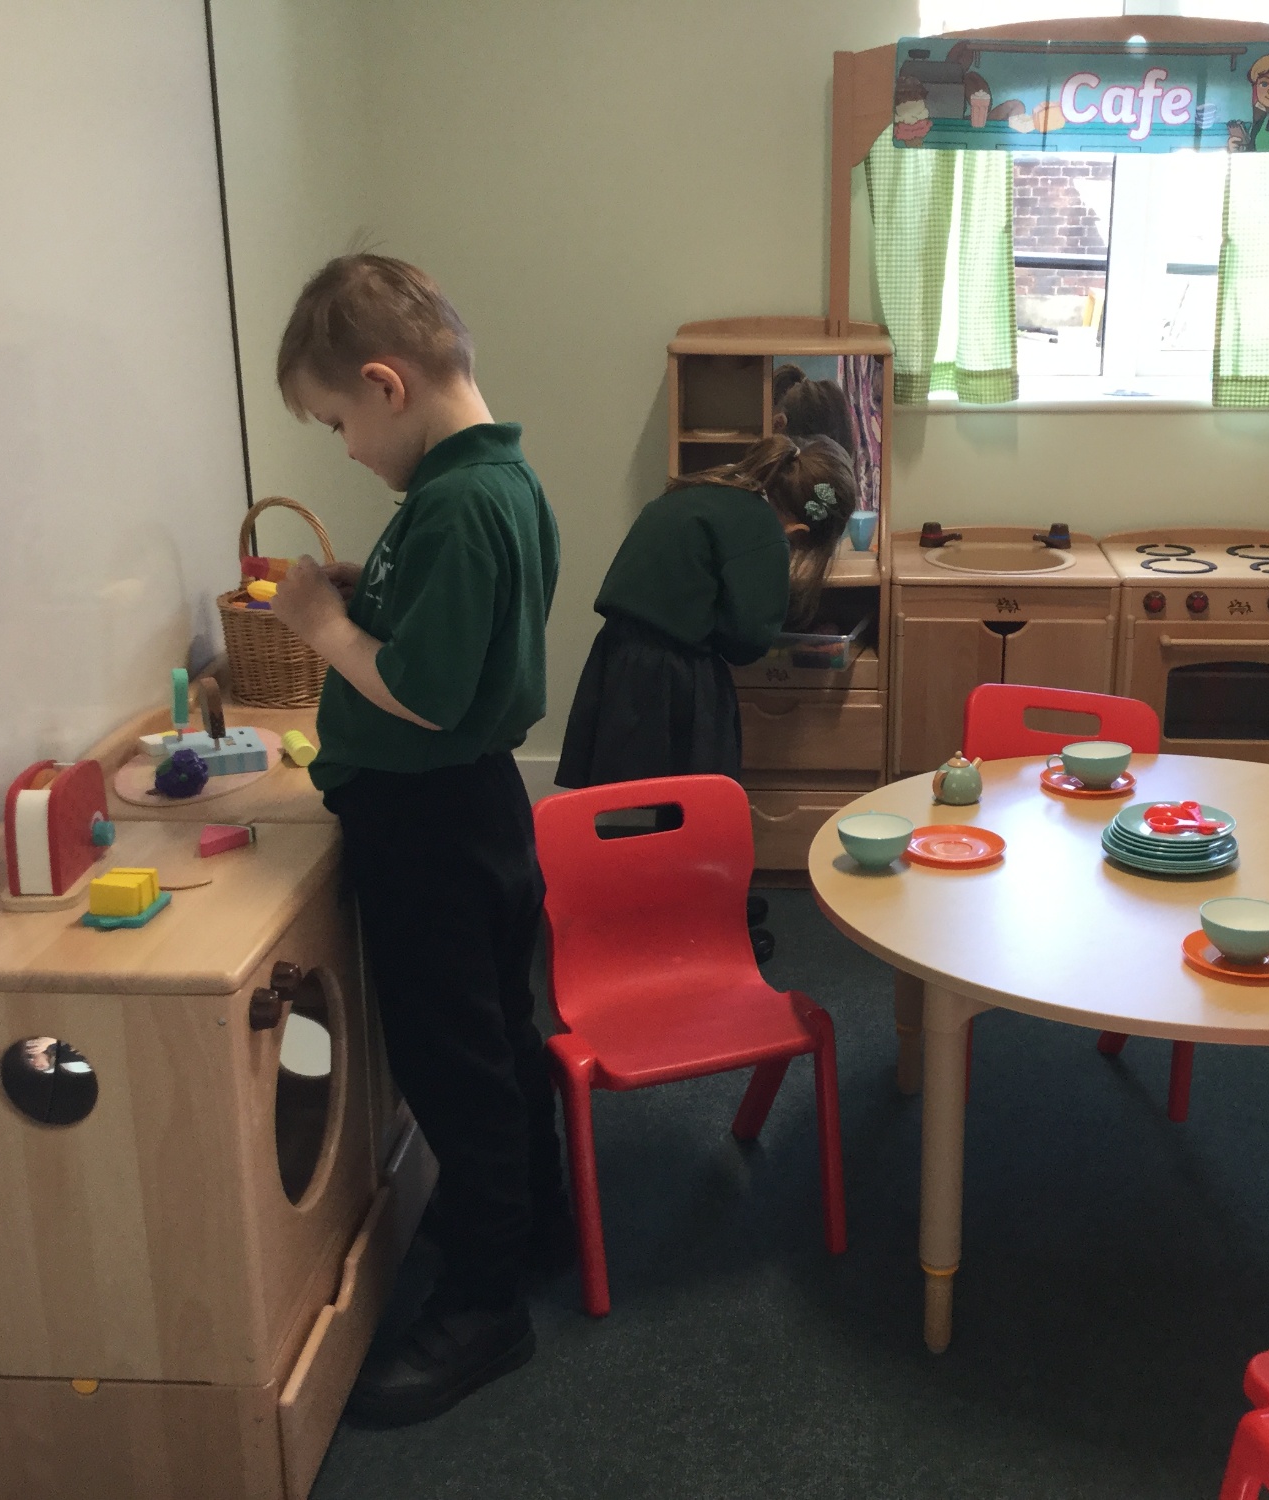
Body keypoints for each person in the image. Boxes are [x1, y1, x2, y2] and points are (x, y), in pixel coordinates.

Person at [269, 253, 564, 1428]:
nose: (343, 448)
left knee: (453, 1062)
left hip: (428, 826)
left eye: (337, 422)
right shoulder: (490, 482)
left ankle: (485, 1302)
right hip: (474, 812)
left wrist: (322, 624)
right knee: (497, 1035)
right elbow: (461, 634)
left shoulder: (452, 504)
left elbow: (427, 695)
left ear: (385, 386)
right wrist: (371, 596)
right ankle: (530, 1219)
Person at [554, 435, 855, 960]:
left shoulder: (703, 492)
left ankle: (681, 900)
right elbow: (749, 640)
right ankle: (688, 924)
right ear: (803, 529)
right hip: (677, 674)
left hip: (619, 659)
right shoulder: (763, 531)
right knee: (700, 802)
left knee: (664, 798)